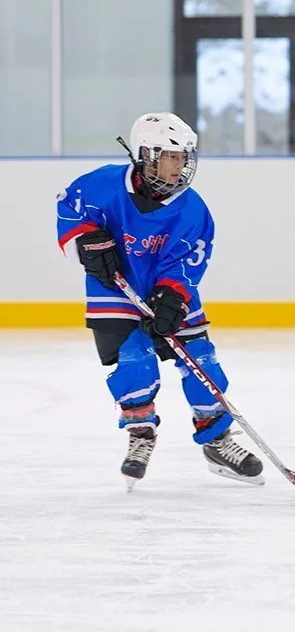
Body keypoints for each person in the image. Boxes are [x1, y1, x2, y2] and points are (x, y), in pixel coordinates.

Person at [56, 112, 263, 489]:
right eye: (169, 157)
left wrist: (173, 297)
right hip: (113, 293)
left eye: (183, 158)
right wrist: (85, 240)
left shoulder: (193, 209)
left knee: (202, 361)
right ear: (144, 155)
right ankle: (140, 435)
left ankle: (216, 439)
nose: (178, 166)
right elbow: (69, 211)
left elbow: (187, 261)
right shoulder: (101, 185)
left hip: (168, 293)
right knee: (135, 361)